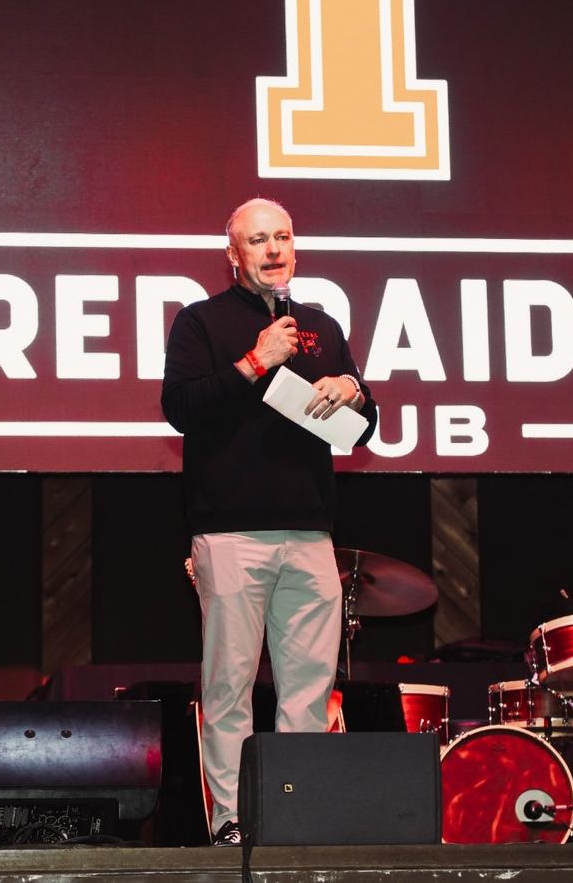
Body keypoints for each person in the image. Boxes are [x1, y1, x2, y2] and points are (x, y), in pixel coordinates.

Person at [161, 198, 377, 846]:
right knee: (228, 687)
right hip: (229, 531)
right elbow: (181, 407)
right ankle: (231, 821)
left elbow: (365, 427)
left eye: (282, 236)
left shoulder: (321, 324)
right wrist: (255, 362)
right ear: (233, 254)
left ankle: (297, 817)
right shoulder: (200, 322)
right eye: (258, 240)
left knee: (309, 689)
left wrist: (355, 391)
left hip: (311, 531)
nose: (273, 249)